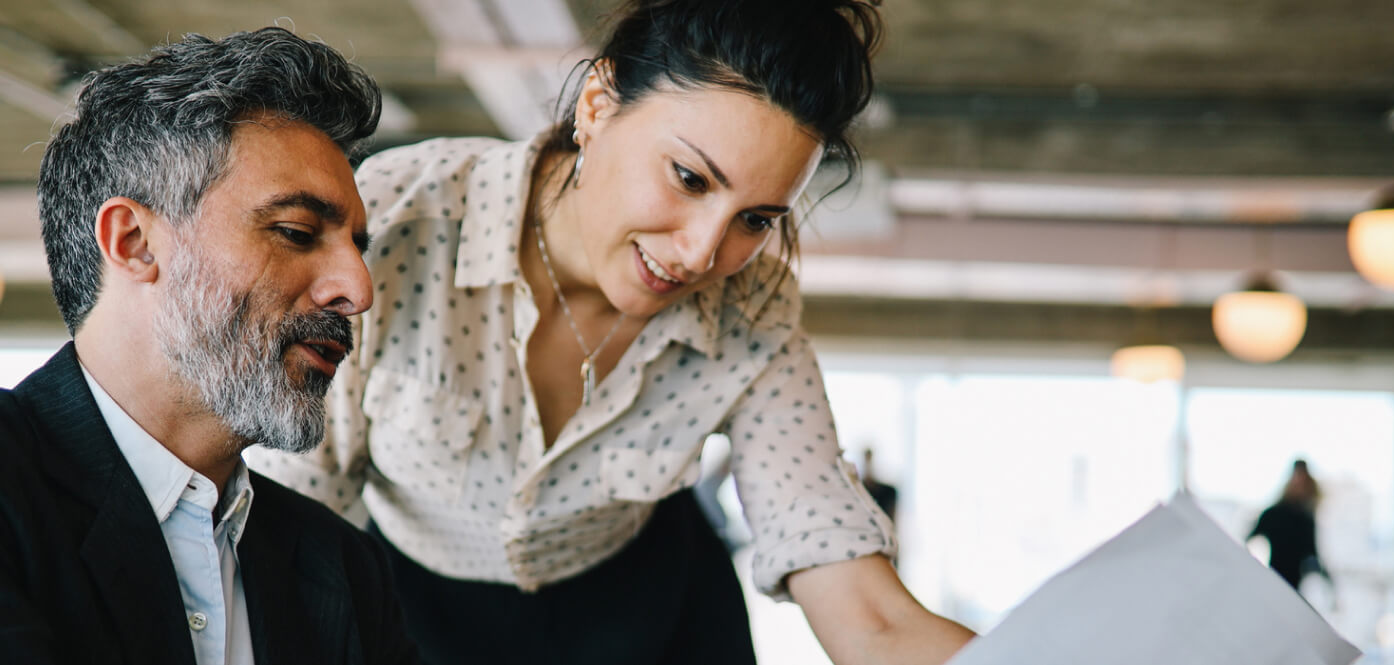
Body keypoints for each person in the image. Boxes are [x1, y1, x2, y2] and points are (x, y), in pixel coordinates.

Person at [249, 1, 977, 663]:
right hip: (421, 606)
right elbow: (290, 529)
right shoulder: (395, 227)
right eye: (689, 178)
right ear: (597, 106)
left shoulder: (752, 307)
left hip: (651, 614)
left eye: (755, 219)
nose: (700, 254)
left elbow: (866, 613)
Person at [0, 28, 419, 664]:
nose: (357, 291)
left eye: (356, 249)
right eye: (296, 231)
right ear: (135, 242)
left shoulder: (344, 569)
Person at [1248, 459, 1328, 592]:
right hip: (1274, 580)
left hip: (1293, 587)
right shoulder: (1273, 514)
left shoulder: (1305, 520)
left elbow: (1312, 552)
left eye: (1303, 482)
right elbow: (1250, 540)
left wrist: (1327, 581)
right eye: (1297, 479)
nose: (1299, 485)